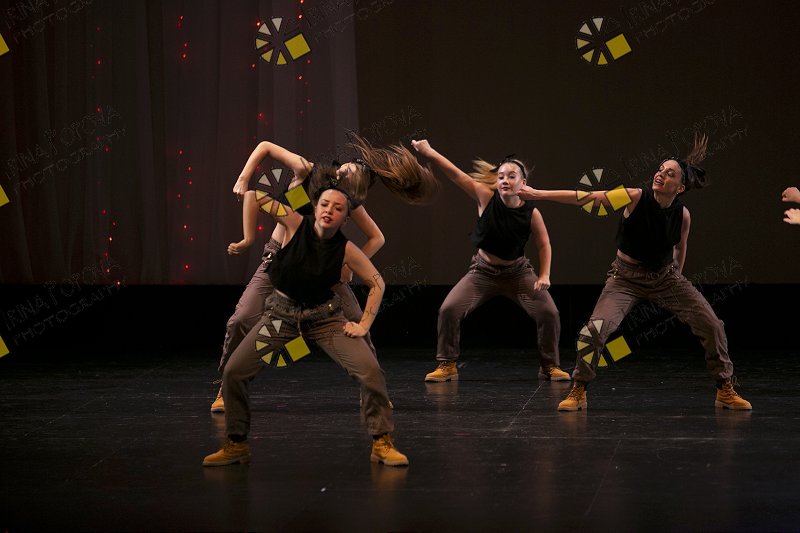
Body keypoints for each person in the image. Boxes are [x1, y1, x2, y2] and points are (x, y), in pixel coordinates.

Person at [519, 134, 751, 411]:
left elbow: (680, 247)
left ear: (680, 188)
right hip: (625, 279)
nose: (661, 174)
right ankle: (579, 388)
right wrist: (537, 194)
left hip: (665, 278)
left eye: (670, 173)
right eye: (660, 169)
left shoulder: (683, 215)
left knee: (713, 325)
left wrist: (676, 280)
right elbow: (589, 198)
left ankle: (724, 389)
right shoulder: (634, 196)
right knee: (594, 331)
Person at [211, 134, 437, 412]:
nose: (341, 183)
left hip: (320, 269)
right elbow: (265, 147)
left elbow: (377, 237)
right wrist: (244, 179)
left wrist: (347, 265)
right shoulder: (307, 170)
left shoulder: (345, 199)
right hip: (281, 263)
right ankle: (226, 387)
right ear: (342, 166)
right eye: (345, 172)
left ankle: (374, 392)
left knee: (356, 320)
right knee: (241, 319)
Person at [203, 170, 409, 467]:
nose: (329, 211)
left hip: (325, 321)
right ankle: (236, 444)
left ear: (345, 218)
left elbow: (377, 283)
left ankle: (381, 442)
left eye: (337, 208)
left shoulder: (346, 250)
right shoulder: (294, 222)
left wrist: (364, 324)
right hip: (281, 318)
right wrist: (248, 239)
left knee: (371, 371)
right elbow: (254, 196)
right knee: (234, 372)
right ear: (315, 207)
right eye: (324, 204)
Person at [411, 139, 569, 383]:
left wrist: (544, 274)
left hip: (517, 273)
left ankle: (550, 366)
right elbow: (456, 175)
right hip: (482, 272)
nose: (505, 180)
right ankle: (447, 364)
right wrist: (430, 152)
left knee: (549, 313)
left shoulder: (532, 212)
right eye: (501, 176)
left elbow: (544, 244)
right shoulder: (485, 197)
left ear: (523, 183)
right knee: (449, 309)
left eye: (511, 176)